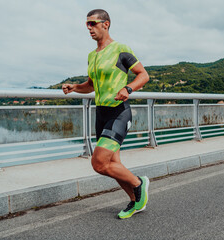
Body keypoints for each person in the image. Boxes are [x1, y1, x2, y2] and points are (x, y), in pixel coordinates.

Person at [62, 9, 150, 219]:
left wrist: (128, 89)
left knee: (99, 163)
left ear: (106, 24)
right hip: (100, 113)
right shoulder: (92, 56)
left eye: (92, 23)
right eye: (87, 25)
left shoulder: (121, 49)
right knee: (113, 164)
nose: (89, 28)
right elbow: (91, 85)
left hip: (118, 112)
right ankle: (135, 201)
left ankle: (139, 183)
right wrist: (75, 87)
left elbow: (143, 75)